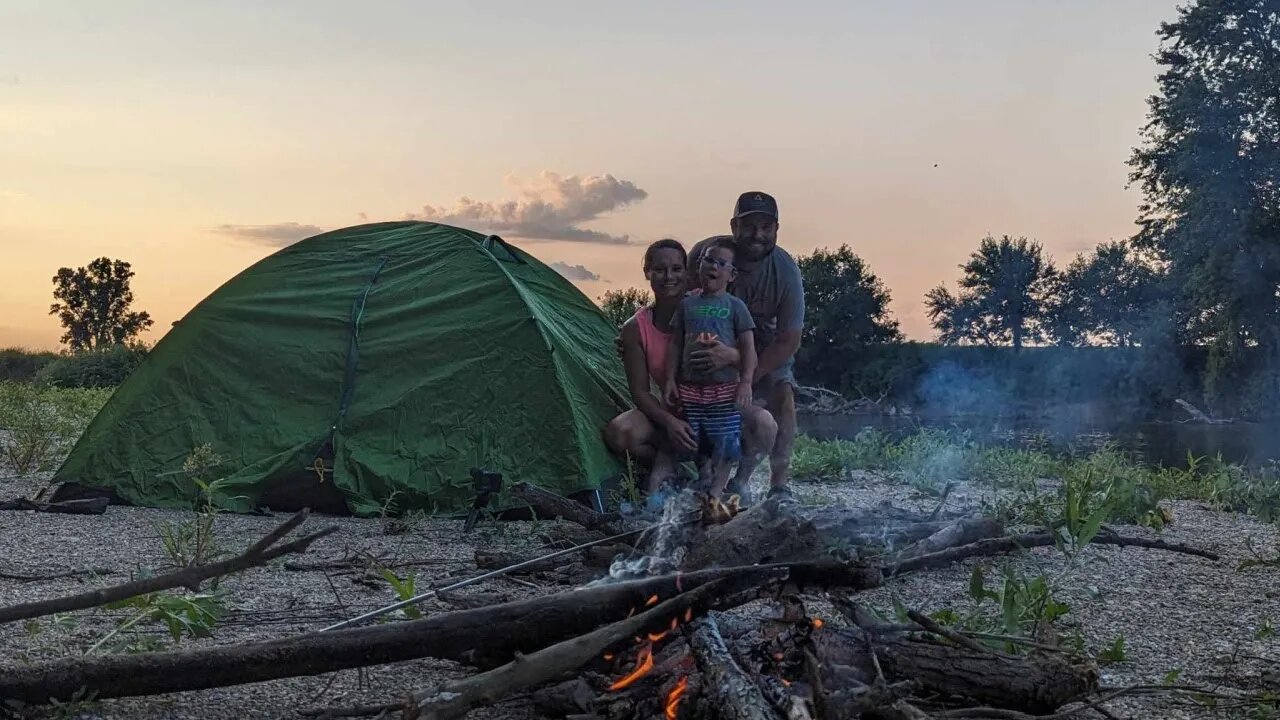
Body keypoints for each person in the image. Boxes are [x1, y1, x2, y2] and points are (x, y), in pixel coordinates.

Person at [604, 239, 778, 495]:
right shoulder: (635, 327)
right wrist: (671, 422)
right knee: (620, 433)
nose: (668, 277)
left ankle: (737, 485)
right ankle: (676, 473)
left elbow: (754, 349)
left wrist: (731, 355)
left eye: (676, 269)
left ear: (687, 272)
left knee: (765, 425)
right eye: (659, 269)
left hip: (720, 402)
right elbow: (640, 393)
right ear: (647, 273)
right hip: (675, 407)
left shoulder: (712, 301)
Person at [687, 191, 804, 498]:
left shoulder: (786, 271)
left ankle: (777, 483)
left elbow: (789, 338)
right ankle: (701, 475)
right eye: (750, 225)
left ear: (777, 229)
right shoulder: (707, 253)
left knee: (783, 395)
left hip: (765, 346)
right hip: (709, 338)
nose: (758, 235)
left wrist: (747, 375)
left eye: (766, 227)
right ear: (733, 226)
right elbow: (680, 307)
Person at [662, 237, 756, 497]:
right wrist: (670, 379)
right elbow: (675, 345)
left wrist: (746, 382)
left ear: (732, 274)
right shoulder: (686, 305)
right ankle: (704, 478)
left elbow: (748, 348)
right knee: (697, 438)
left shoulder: (736, 307)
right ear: (699, 266)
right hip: (691, 388)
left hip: (724, 389)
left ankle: (717, 491)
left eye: (721, 263)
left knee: (726, 441)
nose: (713, 266)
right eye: (708, 260)